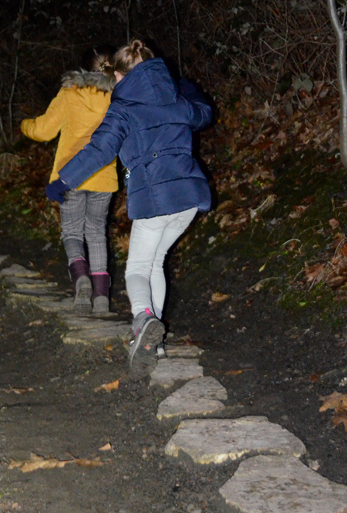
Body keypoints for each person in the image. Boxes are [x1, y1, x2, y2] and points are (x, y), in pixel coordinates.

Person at [45, 39, 213, 377]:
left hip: (156, 198)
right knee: (155, 262)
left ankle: (143, 322)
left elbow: (99, 151)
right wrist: (187, 89)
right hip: (189, 198)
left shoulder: (123, 108)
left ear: (120, 76)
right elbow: (203, 113)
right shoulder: (175, 98)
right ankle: (157, 340)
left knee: (137, 268)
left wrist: (63, 181)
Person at [21, 46, 118, 314]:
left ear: (83, 69)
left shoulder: (69, 93)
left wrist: (24, 125)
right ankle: (101, 297)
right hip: (103, 176)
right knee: (97, 233)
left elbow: (43, 130)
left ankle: (82, 280)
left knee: (72, 232)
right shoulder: (116, 96)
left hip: (70, 175)